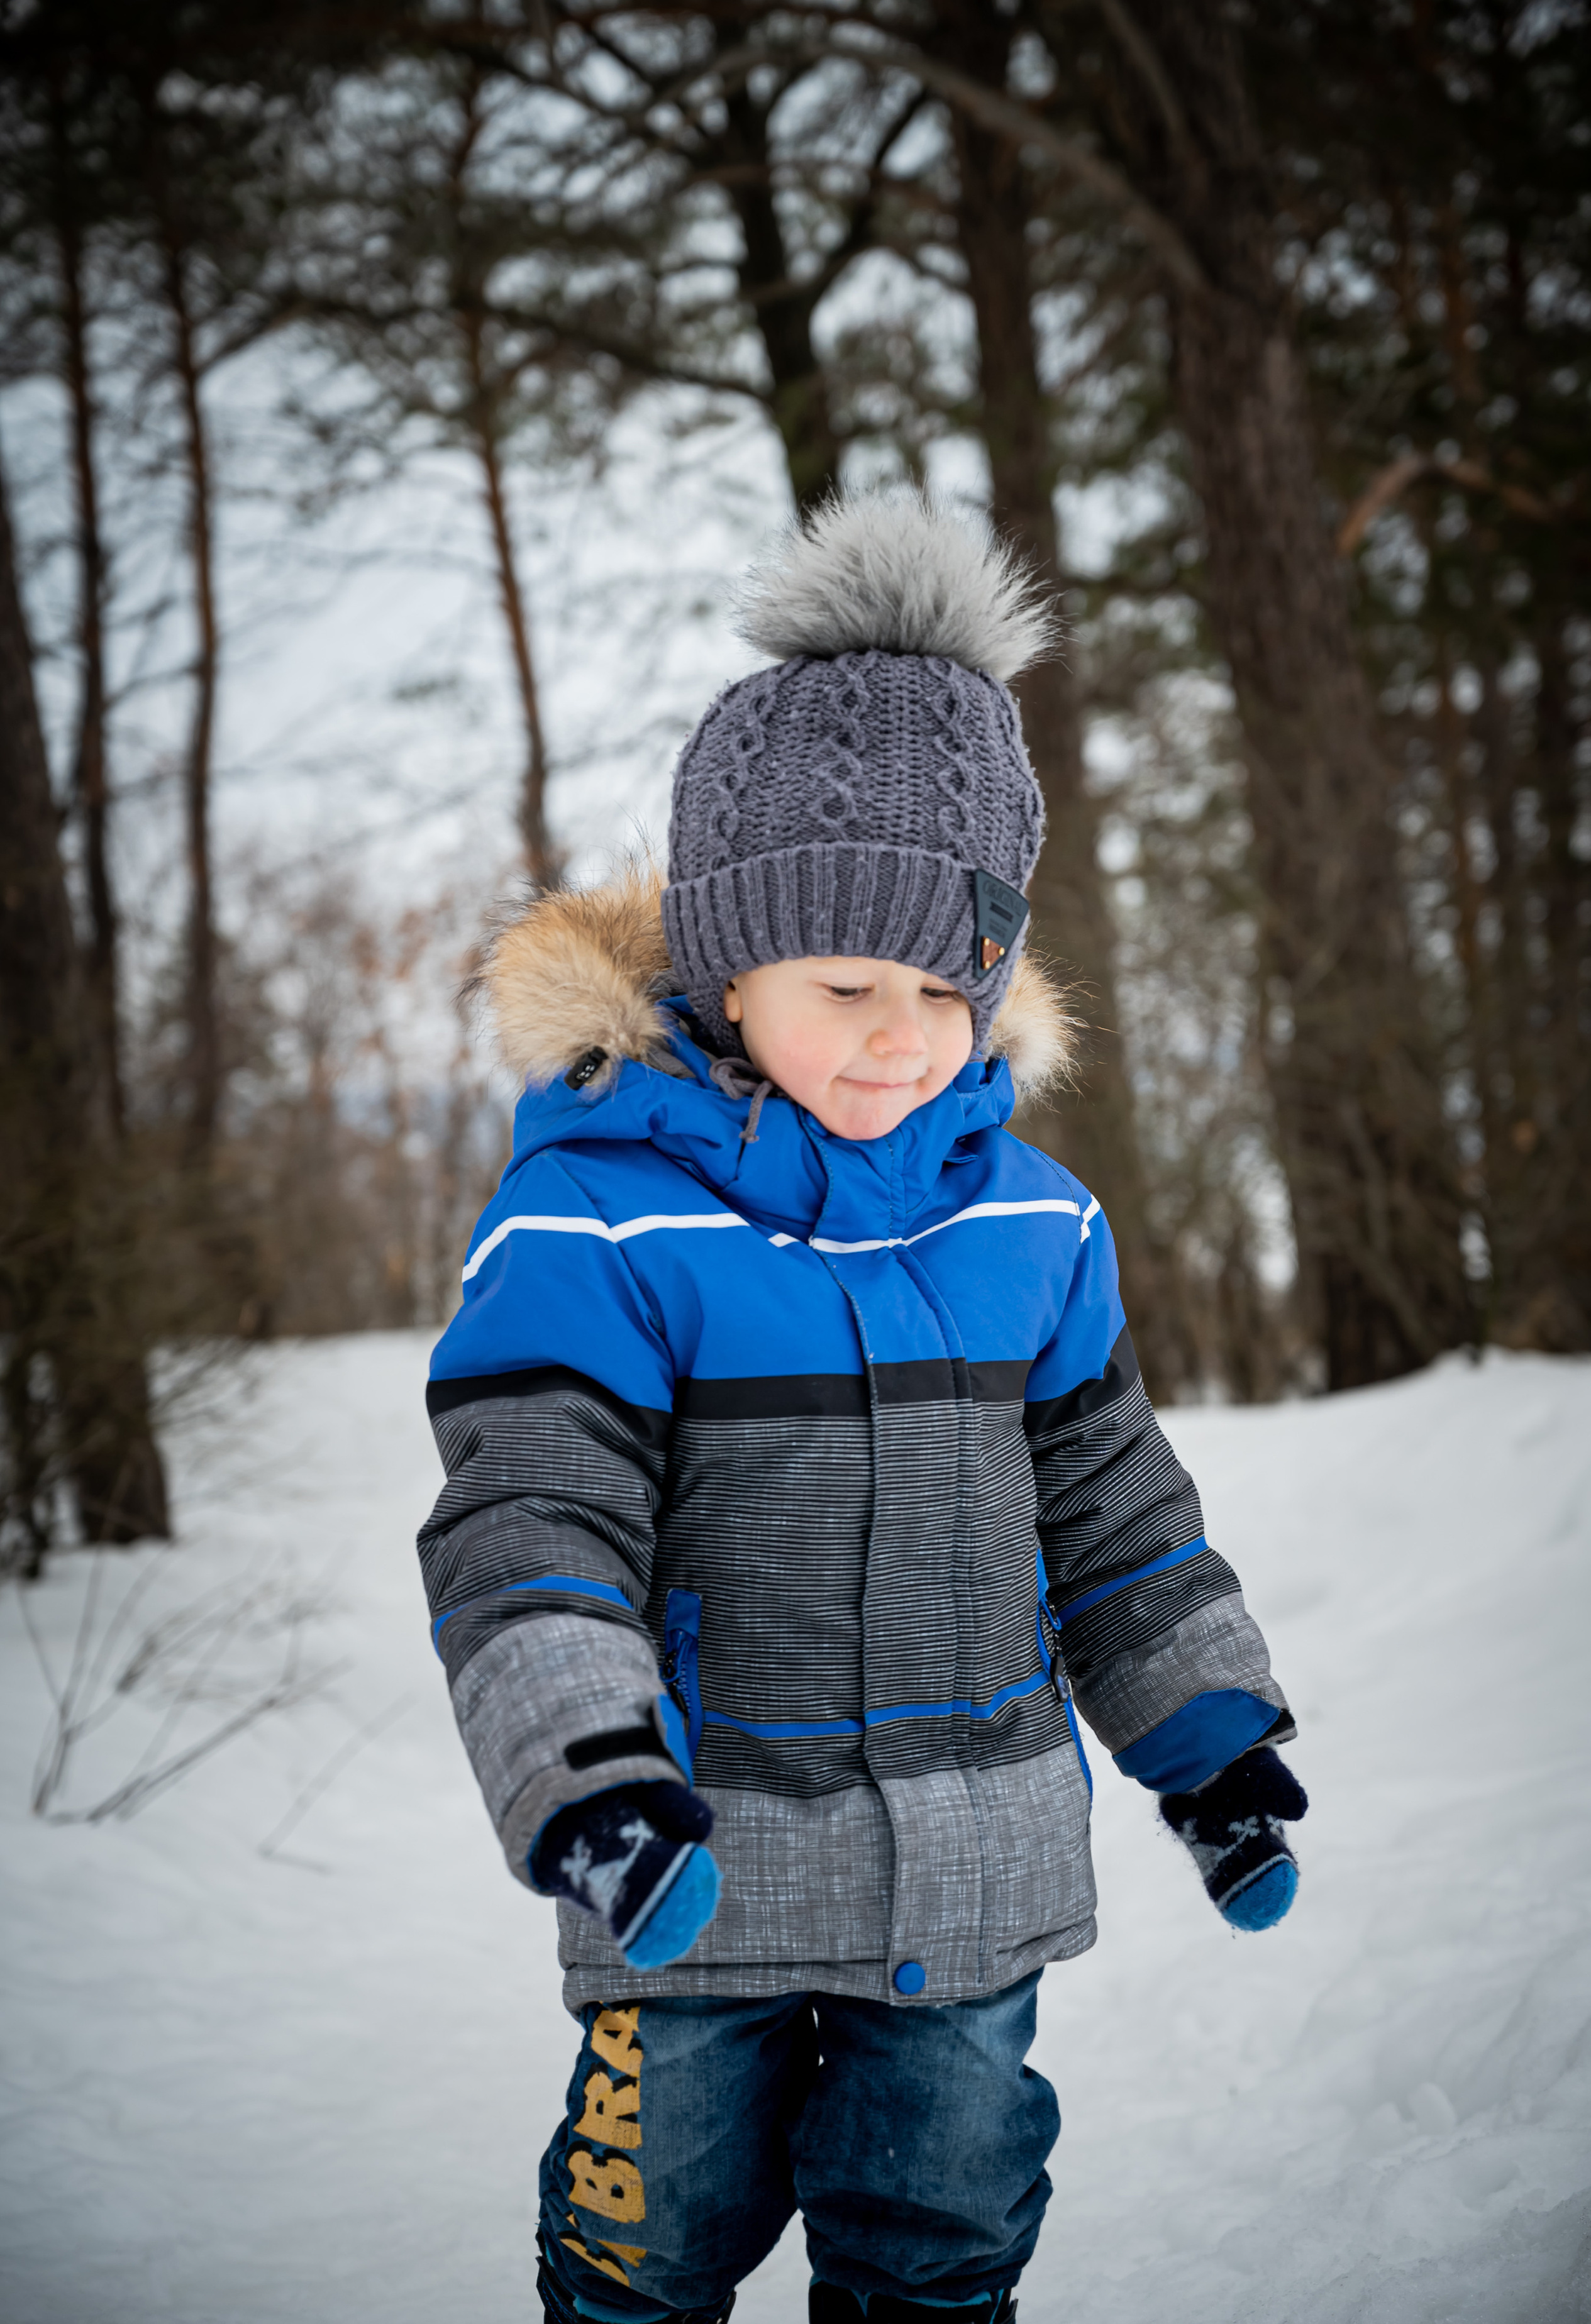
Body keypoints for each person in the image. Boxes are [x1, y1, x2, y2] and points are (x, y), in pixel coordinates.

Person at [419, 494, 1306, 2324]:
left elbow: (1114, 1502)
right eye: (845, 985)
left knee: (946, 2251)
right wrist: (592, 1776)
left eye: (946, 984)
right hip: (693, 1890)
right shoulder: (598, 1218)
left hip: (968, 1894)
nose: (903, 1035)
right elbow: (531, 1526)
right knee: (644, 2255)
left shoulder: (1036, 1225)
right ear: (725, 964)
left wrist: (1207, 1737)